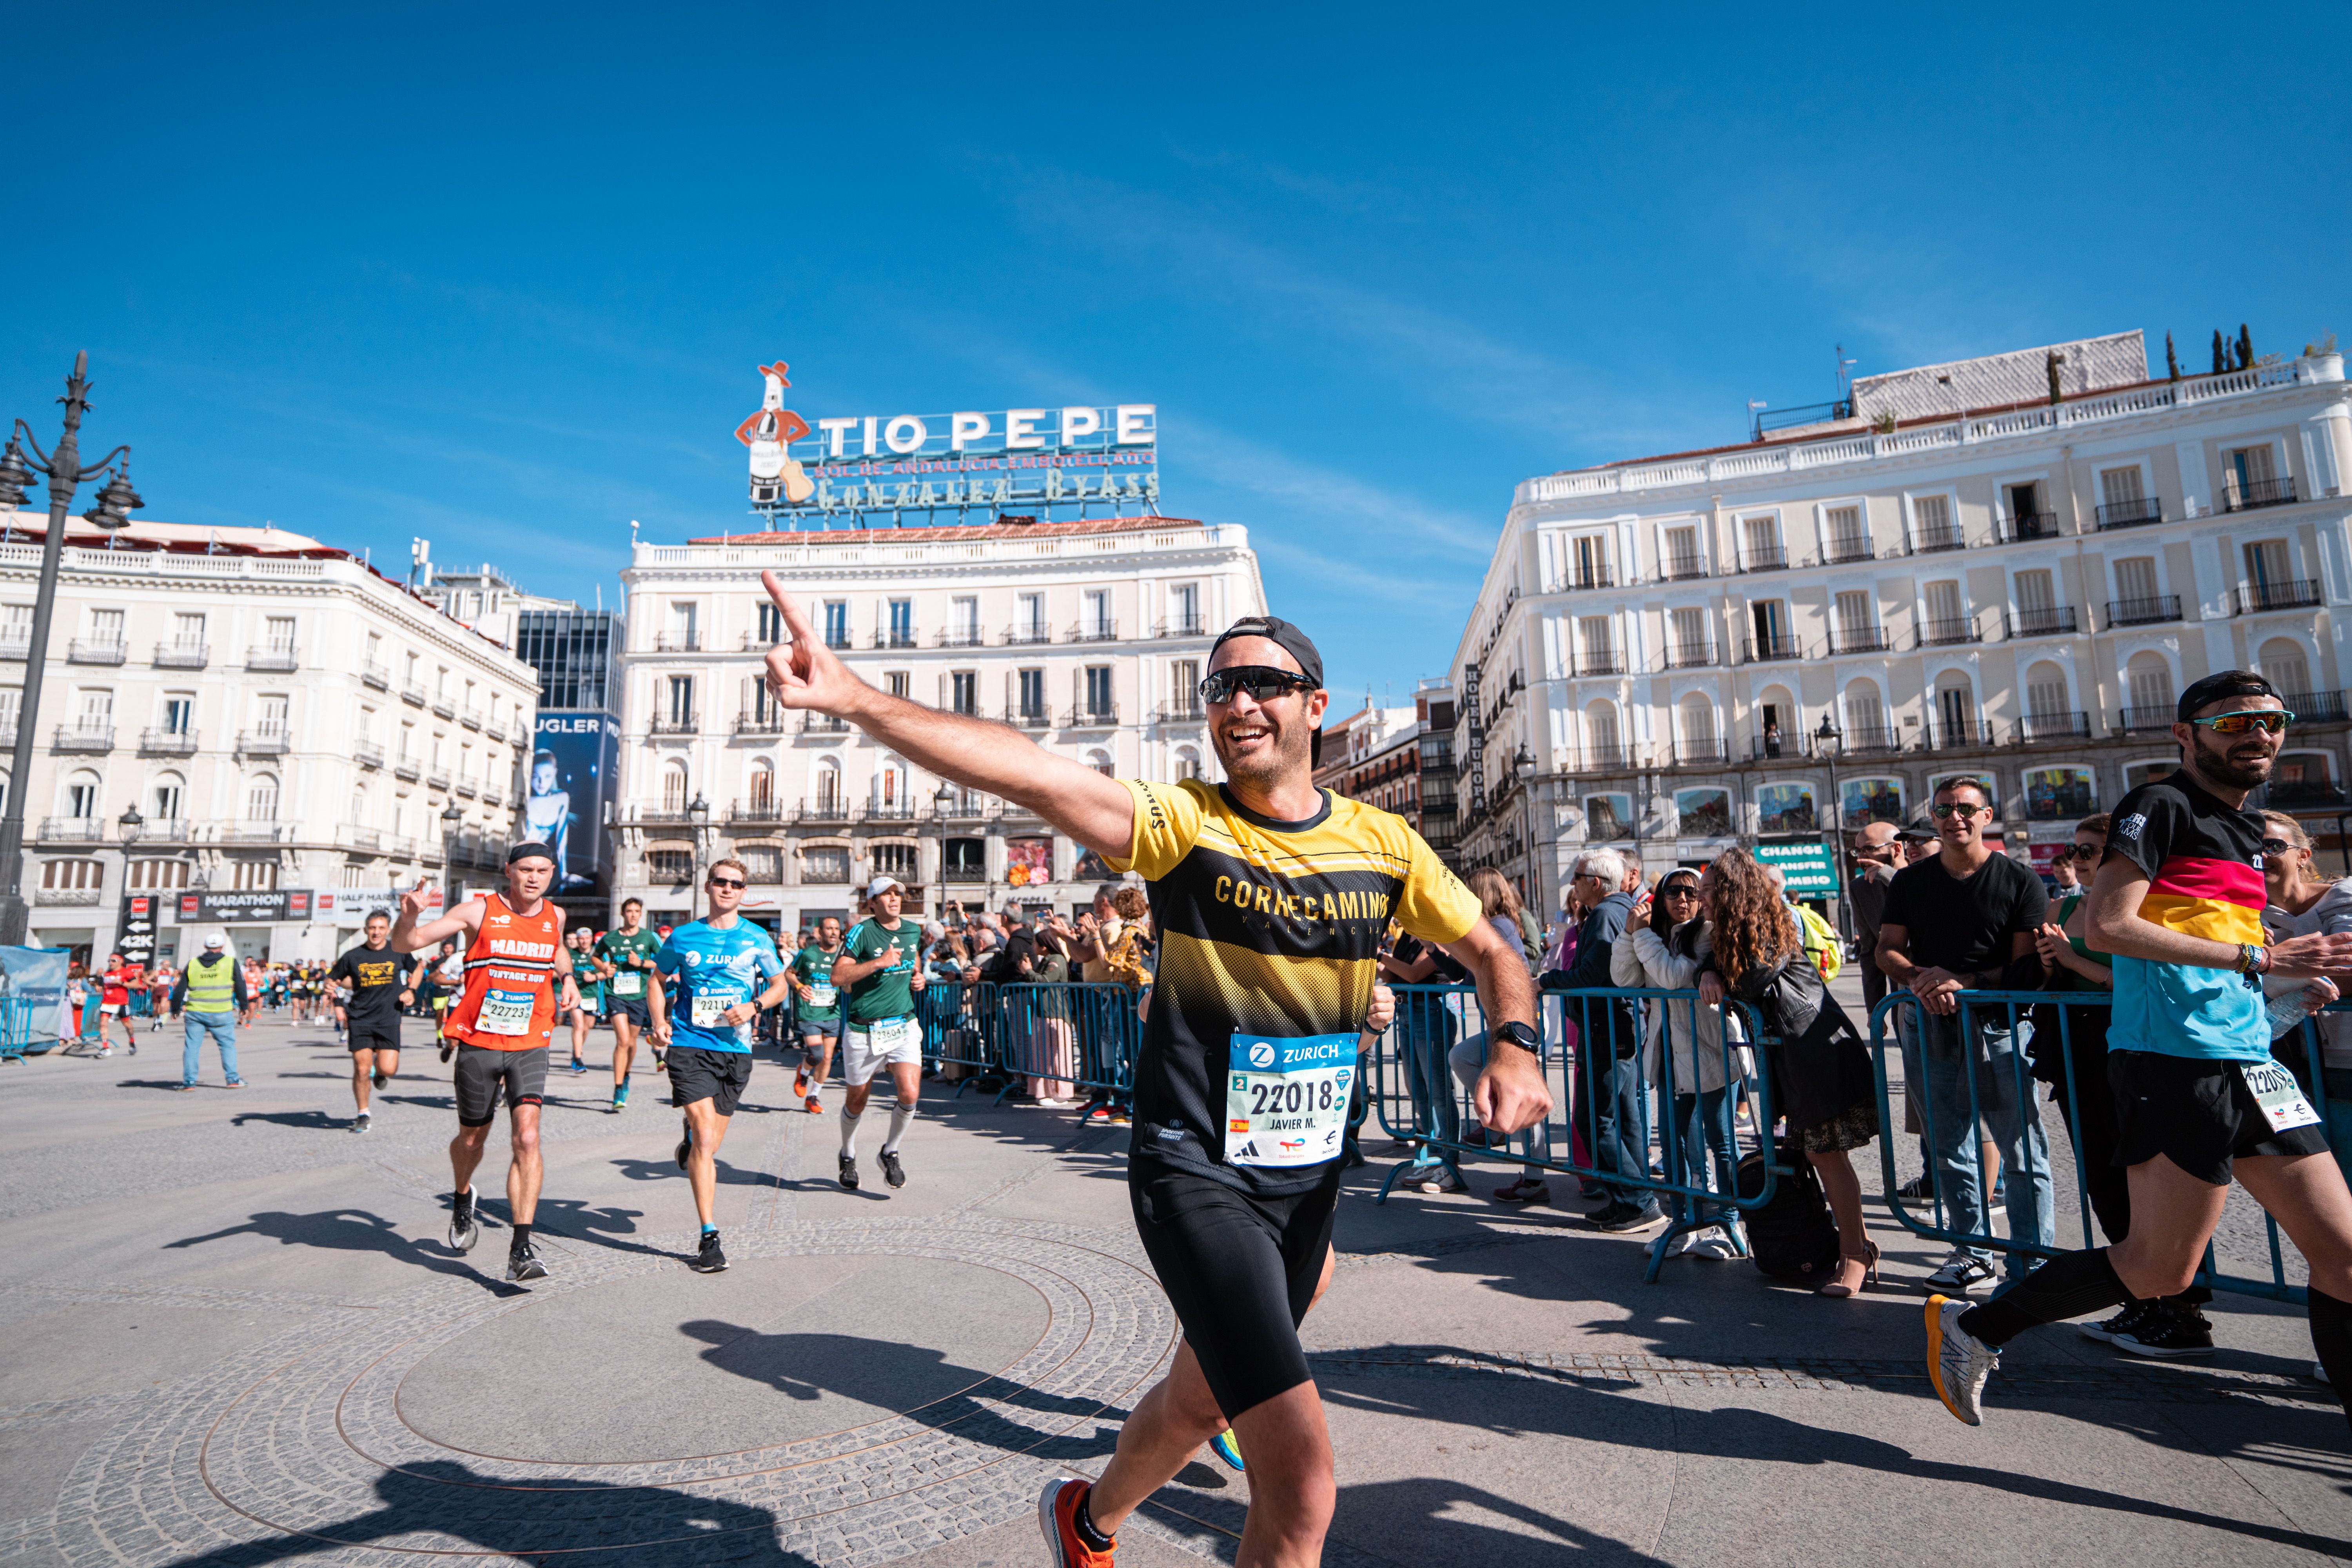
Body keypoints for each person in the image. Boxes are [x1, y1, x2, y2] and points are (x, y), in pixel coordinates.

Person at [751, 583, 1546, 1568]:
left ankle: (1086, 1520)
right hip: (1196, 1170)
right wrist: (858, 699)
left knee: (1200, 1395)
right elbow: (1034, 775)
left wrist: (1515, 1041)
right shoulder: (1186, 825)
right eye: (1220, 686)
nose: (1238, 702)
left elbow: (1494, 948)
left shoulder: (1384, 844)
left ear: (1316, 705)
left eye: (1264, 682)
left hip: (1308, 1180)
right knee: (1301, 1489)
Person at [1927, 673, 2352, 1430]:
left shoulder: (2249, 831)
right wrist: (2263, 962)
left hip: (2252, 1061)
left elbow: (2217, 940)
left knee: (2346, 1257)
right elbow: (2108, 926)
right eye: (2233, 722)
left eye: (2271, 720)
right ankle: (1975, 1329)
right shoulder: (2160, 806)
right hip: (2177, 1060)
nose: (2258, 734)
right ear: (2187, 735)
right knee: (2158, 1268)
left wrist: (2287, 976)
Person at [1877, 776, 2056, 1296]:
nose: (1955, 816)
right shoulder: (1910, 882)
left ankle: (2032, 1263)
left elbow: (2025, 968)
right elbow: (1887, 948)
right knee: (1949, 1147)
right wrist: (1918, 979)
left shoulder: (2021, 880)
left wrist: (1966, 983)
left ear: (1987, 816)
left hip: (1999, 1026)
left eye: (1966, 809)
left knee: (2023, 1151)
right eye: (1944, 809)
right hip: (1927, 1022)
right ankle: (1973, 1252)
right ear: (1933, 817)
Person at [392, 844, 579, 1286]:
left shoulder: (557, 915)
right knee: (472, 1141)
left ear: (552, 872)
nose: (534, 878)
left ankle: (521, 1248)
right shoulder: (477, 912)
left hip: (531, 1040)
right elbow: (408, 943)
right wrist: (410, 915)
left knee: (527, 1138)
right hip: (479, 1041)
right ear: (510, 872)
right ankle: (462, 1196)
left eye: (543, 870)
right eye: (526, 870)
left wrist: (568, 977)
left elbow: (557, 951)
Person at [1698, 850, 1879, 1294]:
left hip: (1815, 1052)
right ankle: (1853, 1247)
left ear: (1728, 894)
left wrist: (1710, 966)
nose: (1700, 900)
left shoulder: (1760, 926)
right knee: (1823, 1155)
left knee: (1826, 1156)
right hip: (1797, 1056)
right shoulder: (1740, 930)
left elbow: (1753, 981)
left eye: (1706, 892)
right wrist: (1707, 966)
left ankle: (1856, 1254)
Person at [646, 857, 791, 1274]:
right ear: (708, 887)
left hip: (736, 1051)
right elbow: (657, 981)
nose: (728, 889)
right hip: (689, 1045)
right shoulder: (684, 936)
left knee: (709, 1144)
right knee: (708, 1140)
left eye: (736, 884)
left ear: (744, 892)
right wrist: (658, 1022)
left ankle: (691, 1140)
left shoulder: (757, 938)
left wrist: (755, 1004)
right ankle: (709, 1236)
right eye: (721, 882)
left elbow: (779, 983)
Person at [1612, 869, 1741, 1259]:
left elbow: (1671, 977)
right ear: (1660, 896)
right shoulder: (1651, 935)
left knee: (1722, 1142)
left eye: (1691, 891)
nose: (1683, 898)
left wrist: (1641, 933)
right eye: (1674, 891)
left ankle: (1729, 1223)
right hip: (1667, 1053)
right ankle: (1682, 1222)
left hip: (1711, 1049)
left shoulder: (1707, 934)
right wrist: (1628, 933)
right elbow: (1623, 977)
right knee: (1674, 1141)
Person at [1552, 848, 1661, 1230]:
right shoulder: (1620, 909)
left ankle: (1638, 1201)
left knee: (1594, 1119)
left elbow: (1591, 976)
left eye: (1578, 878)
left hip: (1606, 1030)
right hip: (1619, 1029)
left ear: (1594, 883)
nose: (1574, 885)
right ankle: (1629, 1198)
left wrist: (1544, 982)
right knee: (1624, 1118)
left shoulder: (1603, 914)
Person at [1447, 867, 1553, 1205]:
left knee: (1523, 1092)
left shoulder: (1501, 926)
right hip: (1508, 1025)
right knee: (1462, 1057)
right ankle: (1498, 1118)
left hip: (1523, 1023)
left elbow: (1503, 971)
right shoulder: (1496, 926)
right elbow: (1473, 974)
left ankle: (1535, 1177)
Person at [2260, 811, 2352, 1194]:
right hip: (2310, 1068)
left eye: (2272, 845)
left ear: (2303, 854)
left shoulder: (2344, 896)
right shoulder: (2247, 917)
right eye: (2247, 848)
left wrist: (2270, 963)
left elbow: (2344, 971)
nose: (2260, 855)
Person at [831, 875, 931, 1189]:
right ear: (872, 903)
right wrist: (878, 963)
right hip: (865, 1029)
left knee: (910, 1094)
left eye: (897, 894)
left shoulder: (913, 929)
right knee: (857, 1101)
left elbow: (913, 957)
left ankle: (890, 1151)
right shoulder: (862, 931)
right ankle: (847, 1154)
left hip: (903, 1024)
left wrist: (918, 978)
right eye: (885, 895)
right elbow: (837, 976)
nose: (894, 899)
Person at [330, 912, 414, 1133]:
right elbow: (333, 979)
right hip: (360, 1019)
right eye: (372, 928)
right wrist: (334, 995)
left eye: (381, 928)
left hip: (389, 1018)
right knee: (361, 1069)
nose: (376, 932)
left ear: (388, 930)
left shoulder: (399, 951)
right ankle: (363, 1114)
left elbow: (419, 969)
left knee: (389, 1068)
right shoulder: (352, 956)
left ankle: (382, 1073)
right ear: (366, 929)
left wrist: (411, 991)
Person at [595, 898, 662, 1112]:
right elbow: (595, 957)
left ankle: (626, 1076)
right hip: (615, 994)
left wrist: (641, 963)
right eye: (629, 911)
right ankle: (617, 1089)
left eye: (637, 911)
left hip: (640, 995)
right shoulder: (611, 938)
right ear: (623, 913)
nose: (633, 915)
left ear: (641, 914)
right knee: (623, 1040)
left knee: (632, 1042)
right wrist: (605, 968)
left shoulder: (648, 937)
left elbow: (663, 961)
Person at [787, 915, 846, 1115]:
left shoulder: (843, 955)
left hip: (832, 1012)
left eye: (837, 928)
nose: (833, 932)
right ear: (820, 932)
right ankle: (803, 1072)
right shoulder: (808, 953)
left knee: (828, 1058)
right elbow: (789, 973)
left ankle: (813, 1097)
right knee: (817, 1055)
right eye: (829, 929)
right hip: (810, 1012)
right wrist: (799, 986)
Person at [174, 933, 249, 1091]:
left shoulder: (193, 963)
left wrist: (175, 1008)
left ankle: (189, 1082)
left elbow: (180, 987)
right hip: (221, 1011)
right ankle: (233, 1079)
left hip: (196, 1012)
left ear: (205, 947)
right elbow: (241, 986)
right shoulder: (230, 962)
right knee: (227, 1046)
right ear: (222, 947)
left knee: (192, 1047)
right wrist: (244, 1007)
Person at [1849, 822, 1900, 1017]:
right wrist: (1874, 1008)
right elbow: (1870, 951)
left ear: (1896, 849)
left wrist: (1889, 876)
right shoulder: (1860, 888)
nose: (1862, 858)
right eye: (1858, 851)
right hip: (1901, 997)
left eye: (1870, 849)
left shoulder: (1923, 875)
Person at [561, 927, 597, 1075]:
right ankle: (578, 1058)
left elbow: (606, 971)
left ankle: (577, 1051)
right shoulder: (571, 954)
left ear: (591, 939)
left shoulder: (597, 953)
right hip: (577, 995)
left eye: (587, 938)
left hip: (593, 995)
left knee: (587, 1027)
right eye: (581, 938)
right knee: (579, 1025)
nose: (584, 941)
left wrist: (595, 977)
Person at [98, 952, 137, 1055]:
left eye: (113, 961)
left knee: (127, 1025)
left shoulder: (126, 972)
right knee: (103, 1024)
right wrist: (99, 988)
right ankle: (105, 1048)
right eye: (109, 961)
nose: (111, 963)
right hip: (107, 1003)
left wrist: (122, 983)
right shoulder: (107, 973)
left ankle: (132, 1041)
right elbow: (102, 986)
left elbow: (136, 984)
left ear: (121, 961)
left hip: (121, 1003)